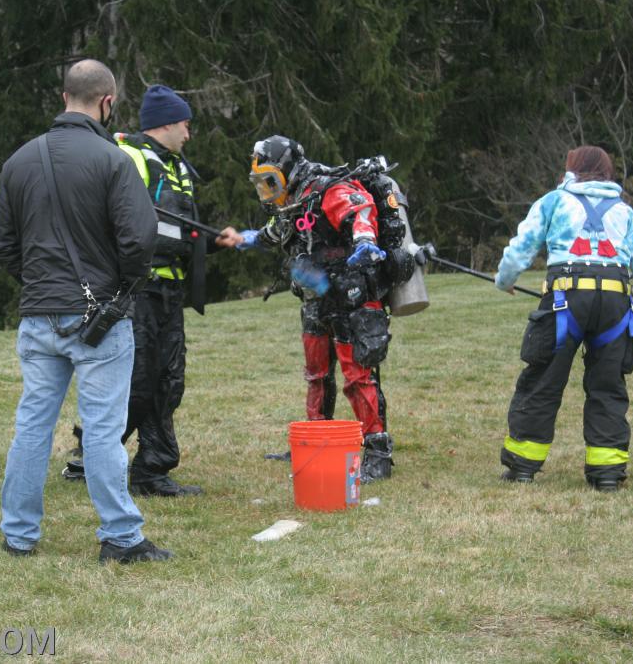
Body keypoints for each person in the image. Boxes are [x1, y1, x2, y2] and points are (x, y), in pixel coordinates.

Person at [0, 59, 171, 563]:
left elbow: (2, 245)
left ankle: (19, 534)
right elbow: (140, 240)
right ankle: (119, 536)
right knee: (102, 428)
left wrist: (37, 283)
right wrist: (120, 290)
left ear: (64, 94)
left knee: (32, 425)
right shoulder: (114, 161)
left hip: (37, 314)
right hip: (100, 320)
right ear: (107, 101)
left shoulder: (19, 161)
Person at [64, 85, 238, 496]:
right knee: (137, 384)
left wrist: (213, 242)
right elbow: (121, 224)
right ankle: (90, 455)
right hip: (138, 293)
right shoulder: (132, 159)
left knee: (168, 381)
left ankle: (152, 471)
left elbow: (178, 230)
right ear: (166, 122)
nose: (189, 134)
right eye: (185, 124)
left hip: (169, 294)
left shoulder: (177, 167)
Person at [223, 135, 419, 482]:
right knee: (316, 372)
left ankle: (377, 451)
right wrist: (249, 238)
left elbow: (359, 210)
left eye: (270, 181)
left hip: (351, 295)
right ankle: (316, 439)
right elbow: (281, 229)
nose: (267, 191)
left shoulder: (326, 188)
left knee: (358, 376)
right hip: (316, 296)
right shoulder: (295, 199)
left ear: (285, 170)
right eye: (261, 184)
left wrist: (364, 241)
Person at [494, 145, 633, 491]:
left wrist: (505, 280)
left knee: (543, 380)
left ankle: (523, 466)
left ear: (571, 170)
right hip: (616, 303)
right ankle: (607, 475)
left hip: (564, 301)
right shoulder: (625, 212)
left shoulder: (553, 202)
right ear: (607, 174)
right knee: (608, 385)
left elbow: (521, 247)